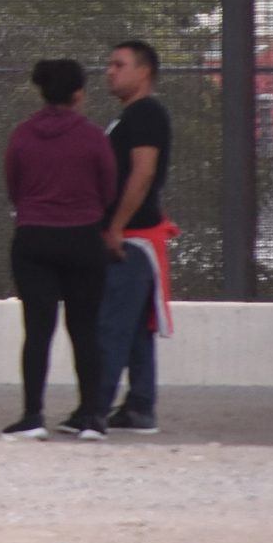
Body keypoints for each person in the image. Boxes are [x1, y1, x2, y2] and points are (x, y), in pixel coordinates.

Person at [1, 58, 117, 441]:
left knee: (37, 329)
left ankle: (33, 414)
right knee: (84, 329)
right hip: (83, 238)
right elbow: (108, 189)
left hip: (34, 238)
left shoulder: (22, 134)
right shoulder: (93, 137)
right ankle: (91, 416)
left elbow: (14, 187)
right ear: (78, 93)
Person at [93, 39, 177, 435]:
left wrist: (117, 226)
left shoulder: (145, 115)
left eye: (119, 64)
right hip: (132, 235)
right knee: (137, 326)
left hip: (133, 238)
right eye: (110, 64)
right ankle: (139, 406)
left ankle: (95, 408)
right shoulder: (131, 117)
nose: (110, 71)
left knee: (111, 325)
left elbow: (142, 174)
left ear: (143, 72)